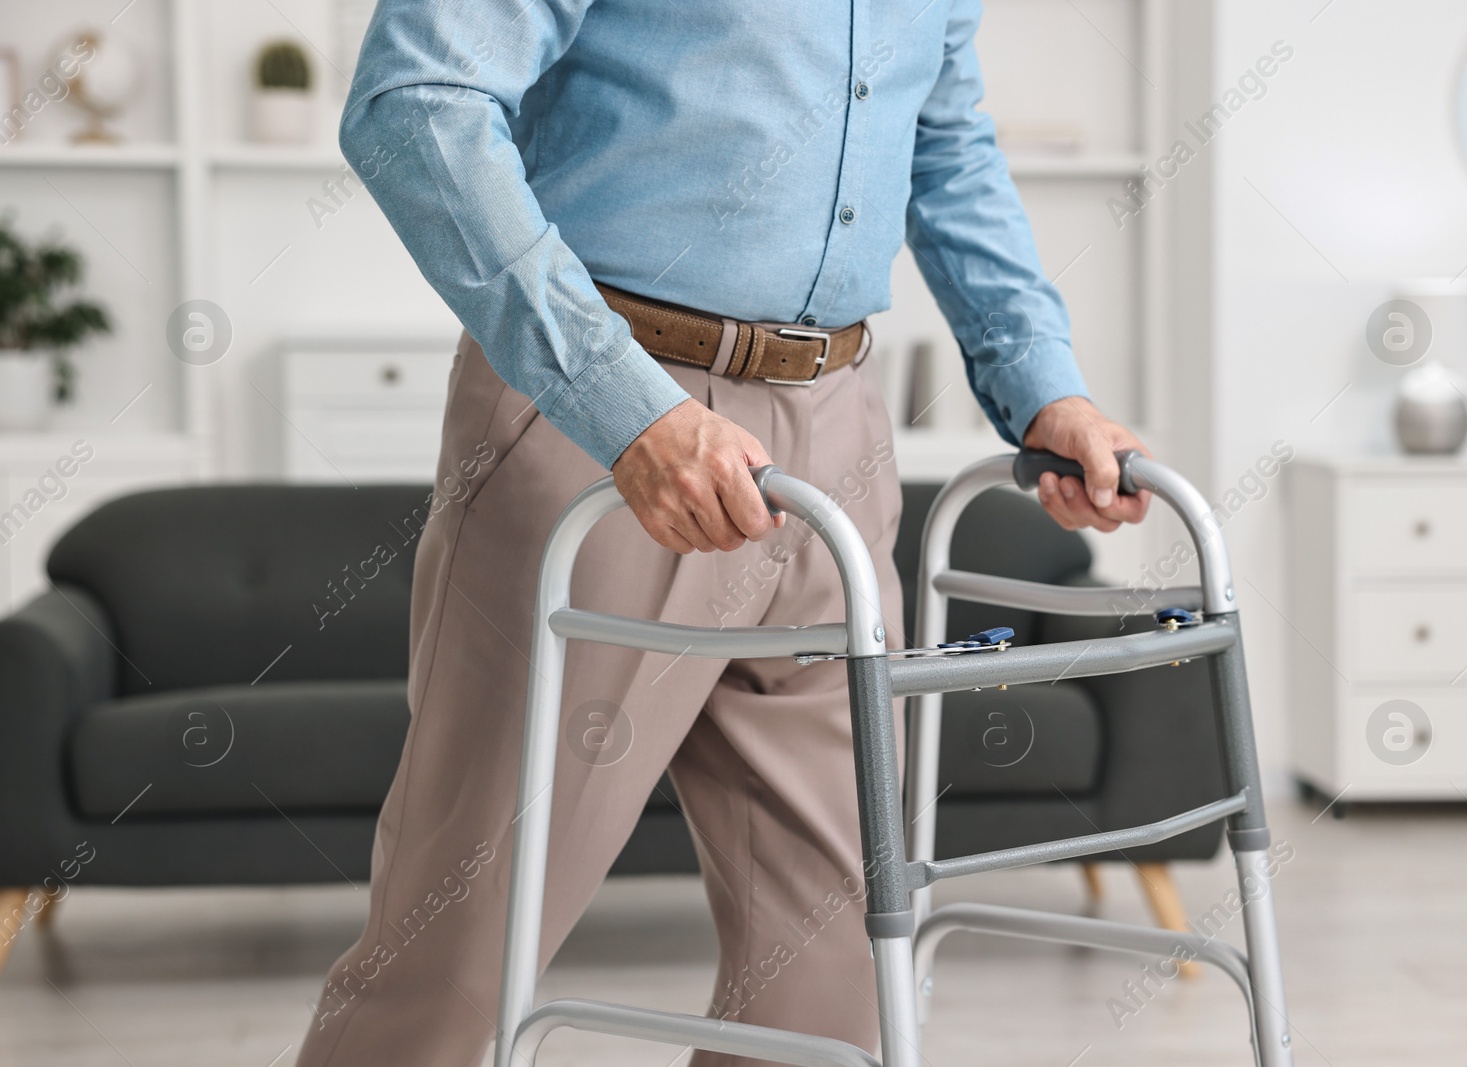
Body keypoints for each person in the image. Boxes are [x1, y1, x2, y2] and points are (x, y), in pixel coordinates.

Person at [296, 1, 1149, 1064]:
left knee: (833, 964)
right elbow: (416, 102)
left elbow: (944, 141)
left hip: (839, 431)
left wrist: (1039, 384)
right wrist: (625, 408)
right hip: (607, 427)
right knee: (462, 940)